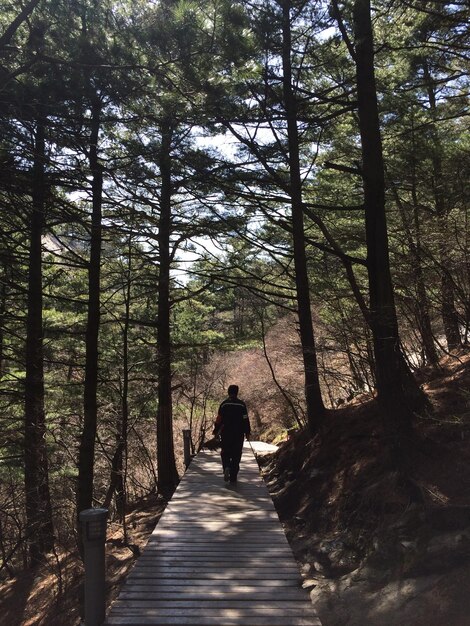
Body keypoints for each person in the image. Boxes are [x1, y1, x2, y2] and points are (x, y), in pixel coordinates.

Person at [213, 384, 251, 483]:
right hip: (238, 434)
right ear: (237, 392)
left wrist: (216, 431)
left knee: (225, 452)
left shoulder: (224, 404)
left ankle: (226, 467)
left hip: (226, 433)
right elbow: (245, 419)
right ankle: (233, 476)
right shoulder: (241, 405)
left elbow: (219, 419)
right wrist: (247, 432)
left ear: (228, 392)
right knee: (236, 454)